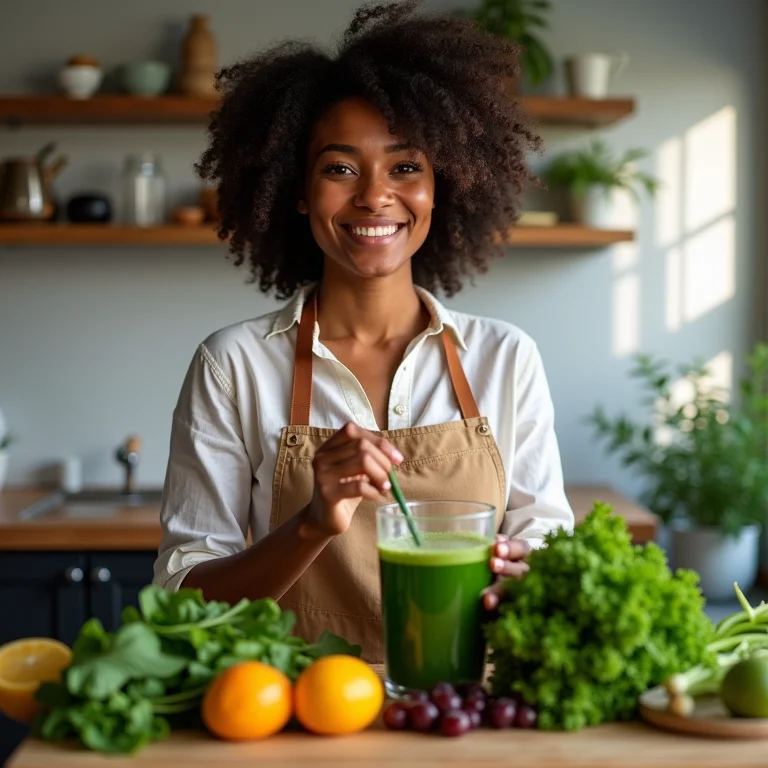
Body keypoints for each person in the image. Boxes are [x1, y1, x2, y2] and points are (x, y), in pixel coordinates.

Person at [153, 0, 574, 662]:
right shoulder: (233, 366)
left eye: (405, 167)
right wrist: (311, 525)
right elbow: (184, 601)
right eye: (340, 168)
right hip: (296, 716)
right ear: (298, 190)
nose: (374, 196)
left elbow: (548, 547)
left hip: (466, 715)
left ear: (442, 186)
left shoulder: (504, 358)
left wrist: (529, 571)